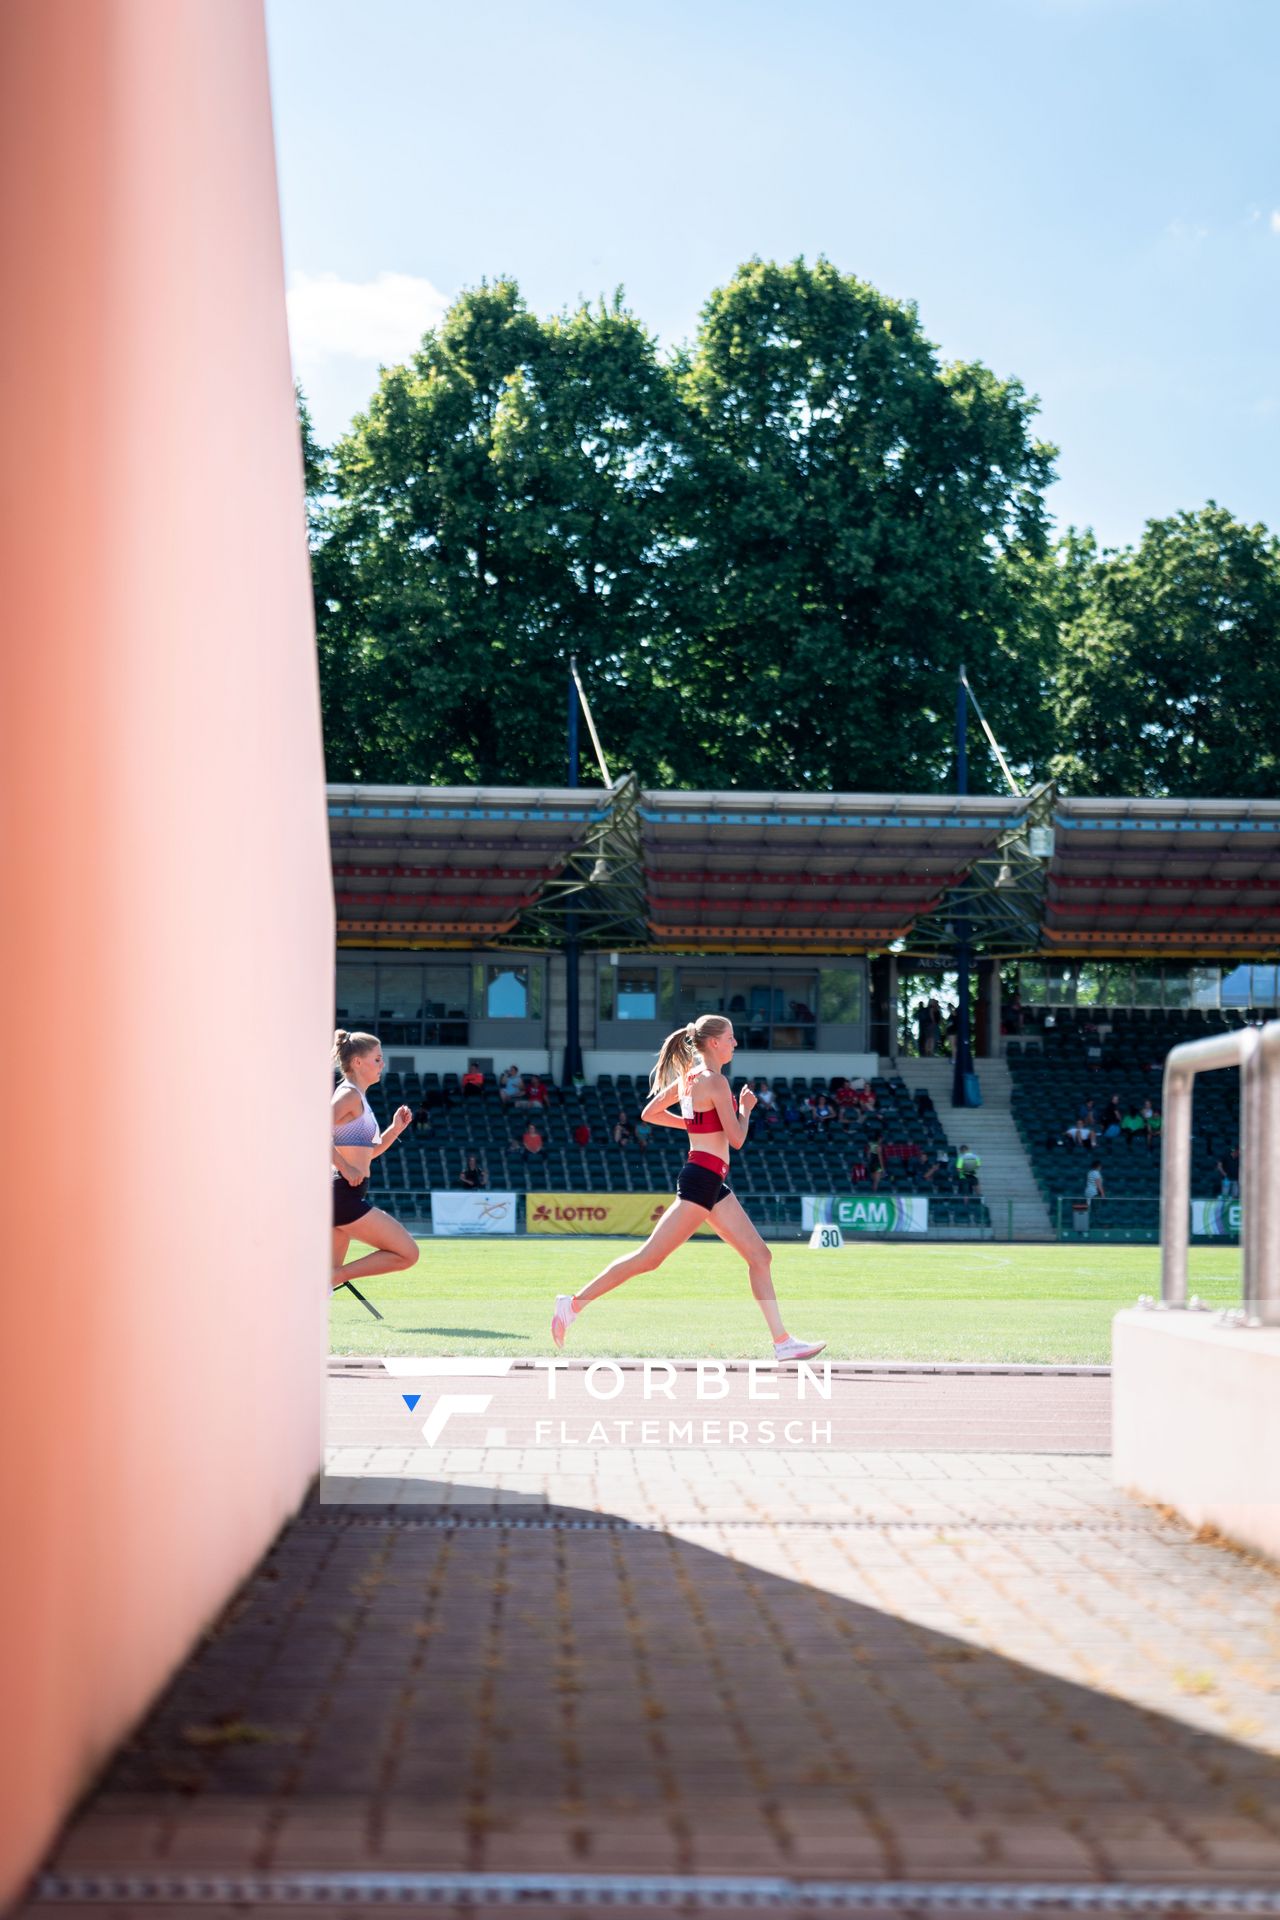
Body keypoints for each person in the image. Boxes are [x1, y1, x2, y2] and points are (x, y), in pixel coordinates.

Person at [551, 1015, 824, 1363]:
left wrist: (695, 1124)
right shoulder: (715, 1082)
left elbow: (650, 1113)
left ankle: (782, 1341)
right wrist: (745, 1109)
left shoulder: (689, 1078)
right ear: (713, 1043)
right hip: (701, 1181)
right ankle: (572, 1304)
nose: (734, 1043)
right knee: (649, 1259)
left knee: (760, 1256)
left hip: (711, 1181)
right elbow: (737, 1139)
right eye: (730, 1037)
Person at [331, 1030, 420, 1295]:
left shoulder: (358, 1097)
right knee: (407, 1253)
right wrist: (345, 1167)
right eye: (378, 1059)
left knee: (319, 1287)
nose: (383, 1065)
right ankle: (335, 1277)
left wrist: (394, 1130)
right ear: (358, 1062)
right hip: (343, 1194)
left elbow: (367, 1153)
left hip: (346, 1192)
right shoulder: (349, 1095)